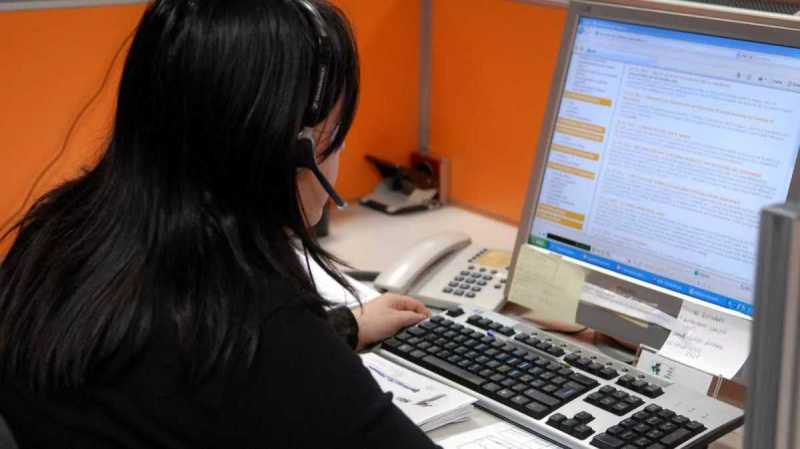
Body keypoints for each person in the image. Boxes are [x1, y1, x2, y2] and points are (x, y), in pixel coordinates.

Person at [0, 0, 442, 447]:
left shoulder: (55, 234)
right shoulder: (252, 325)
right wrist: (307, 347)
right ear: (295, 152)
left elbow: (164, 374)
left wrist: (338, 330)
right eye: (338, 137)